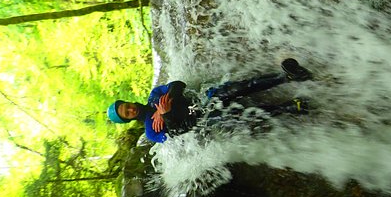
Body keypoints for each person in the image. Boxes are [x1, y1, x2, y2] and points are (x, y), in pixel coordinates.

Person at [107, 58, 313, 143]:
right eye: (126, 113)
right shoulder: (151, 132)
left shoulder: (153, 96)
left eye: (126, 106)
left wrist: (166, 100)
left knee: (240, 87)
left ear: (129, 102)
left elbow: (178, 84)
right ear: (127, 120)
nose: (130, 109)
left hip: (203, 99)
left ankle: (287, 77)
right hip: (203, 120)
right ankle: (288, 107)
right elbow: (179, 131)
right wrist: (166, 114)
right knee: (242, 115)